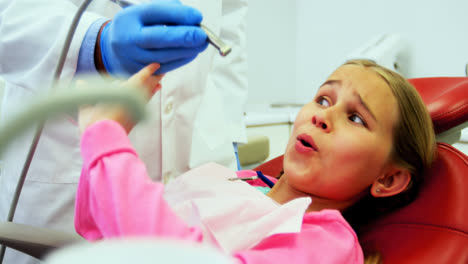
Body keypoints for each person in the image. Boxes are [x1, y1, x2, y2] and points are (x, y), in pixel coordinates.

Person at [74, 59, 436, 263]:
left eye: (356, 118)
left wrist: (107, 138)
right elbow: (96, 226)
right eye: (324, 100)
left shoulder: (328, 246)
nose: (322, 117)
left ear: (388, 179)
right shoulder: (233, 181)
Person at [0, 1, 247, 263]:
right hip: (63, 155)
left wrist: (228, 131)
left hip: (198, 155)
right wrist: (95, 43)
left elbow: (231, 29)